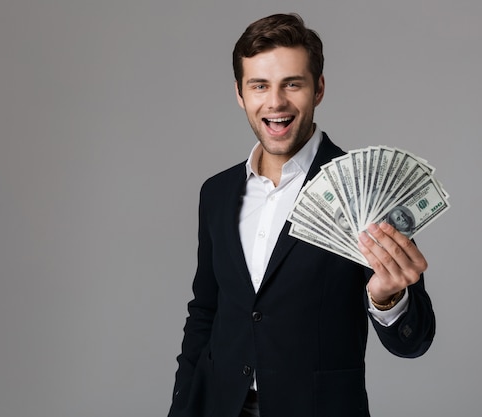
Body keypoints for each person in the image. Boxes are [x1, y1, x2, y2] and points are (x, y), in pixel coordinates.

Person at [168, 13, 435, 417]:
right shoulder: (217, 193)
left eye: (292, 84)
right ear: (240, 94)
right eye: (259, 86)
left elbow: (413, 340)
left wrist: (389, 297)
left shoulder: (363, 190)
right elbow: (205, 311)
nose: (275, 102)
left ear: (319, 89)